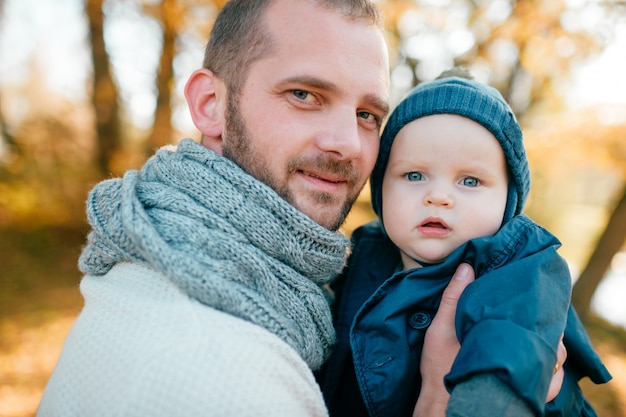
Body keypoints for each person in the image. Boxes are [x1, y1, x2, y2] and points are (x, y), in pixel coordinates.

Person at [36, 2, 488, 416]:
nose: (349, 143)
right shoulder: (229, 377)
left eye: (367, 114)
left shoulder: (154, 267)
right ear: (211, 104)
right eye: (305, 95)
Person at [318, 69, 612, 417]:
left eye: (470, 181)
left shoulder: (523, 269)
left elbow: (503, 366)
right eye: (414, 175)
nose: (438, 196)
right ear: (381, 187)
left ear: (508, 202)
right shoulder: (361, 254)